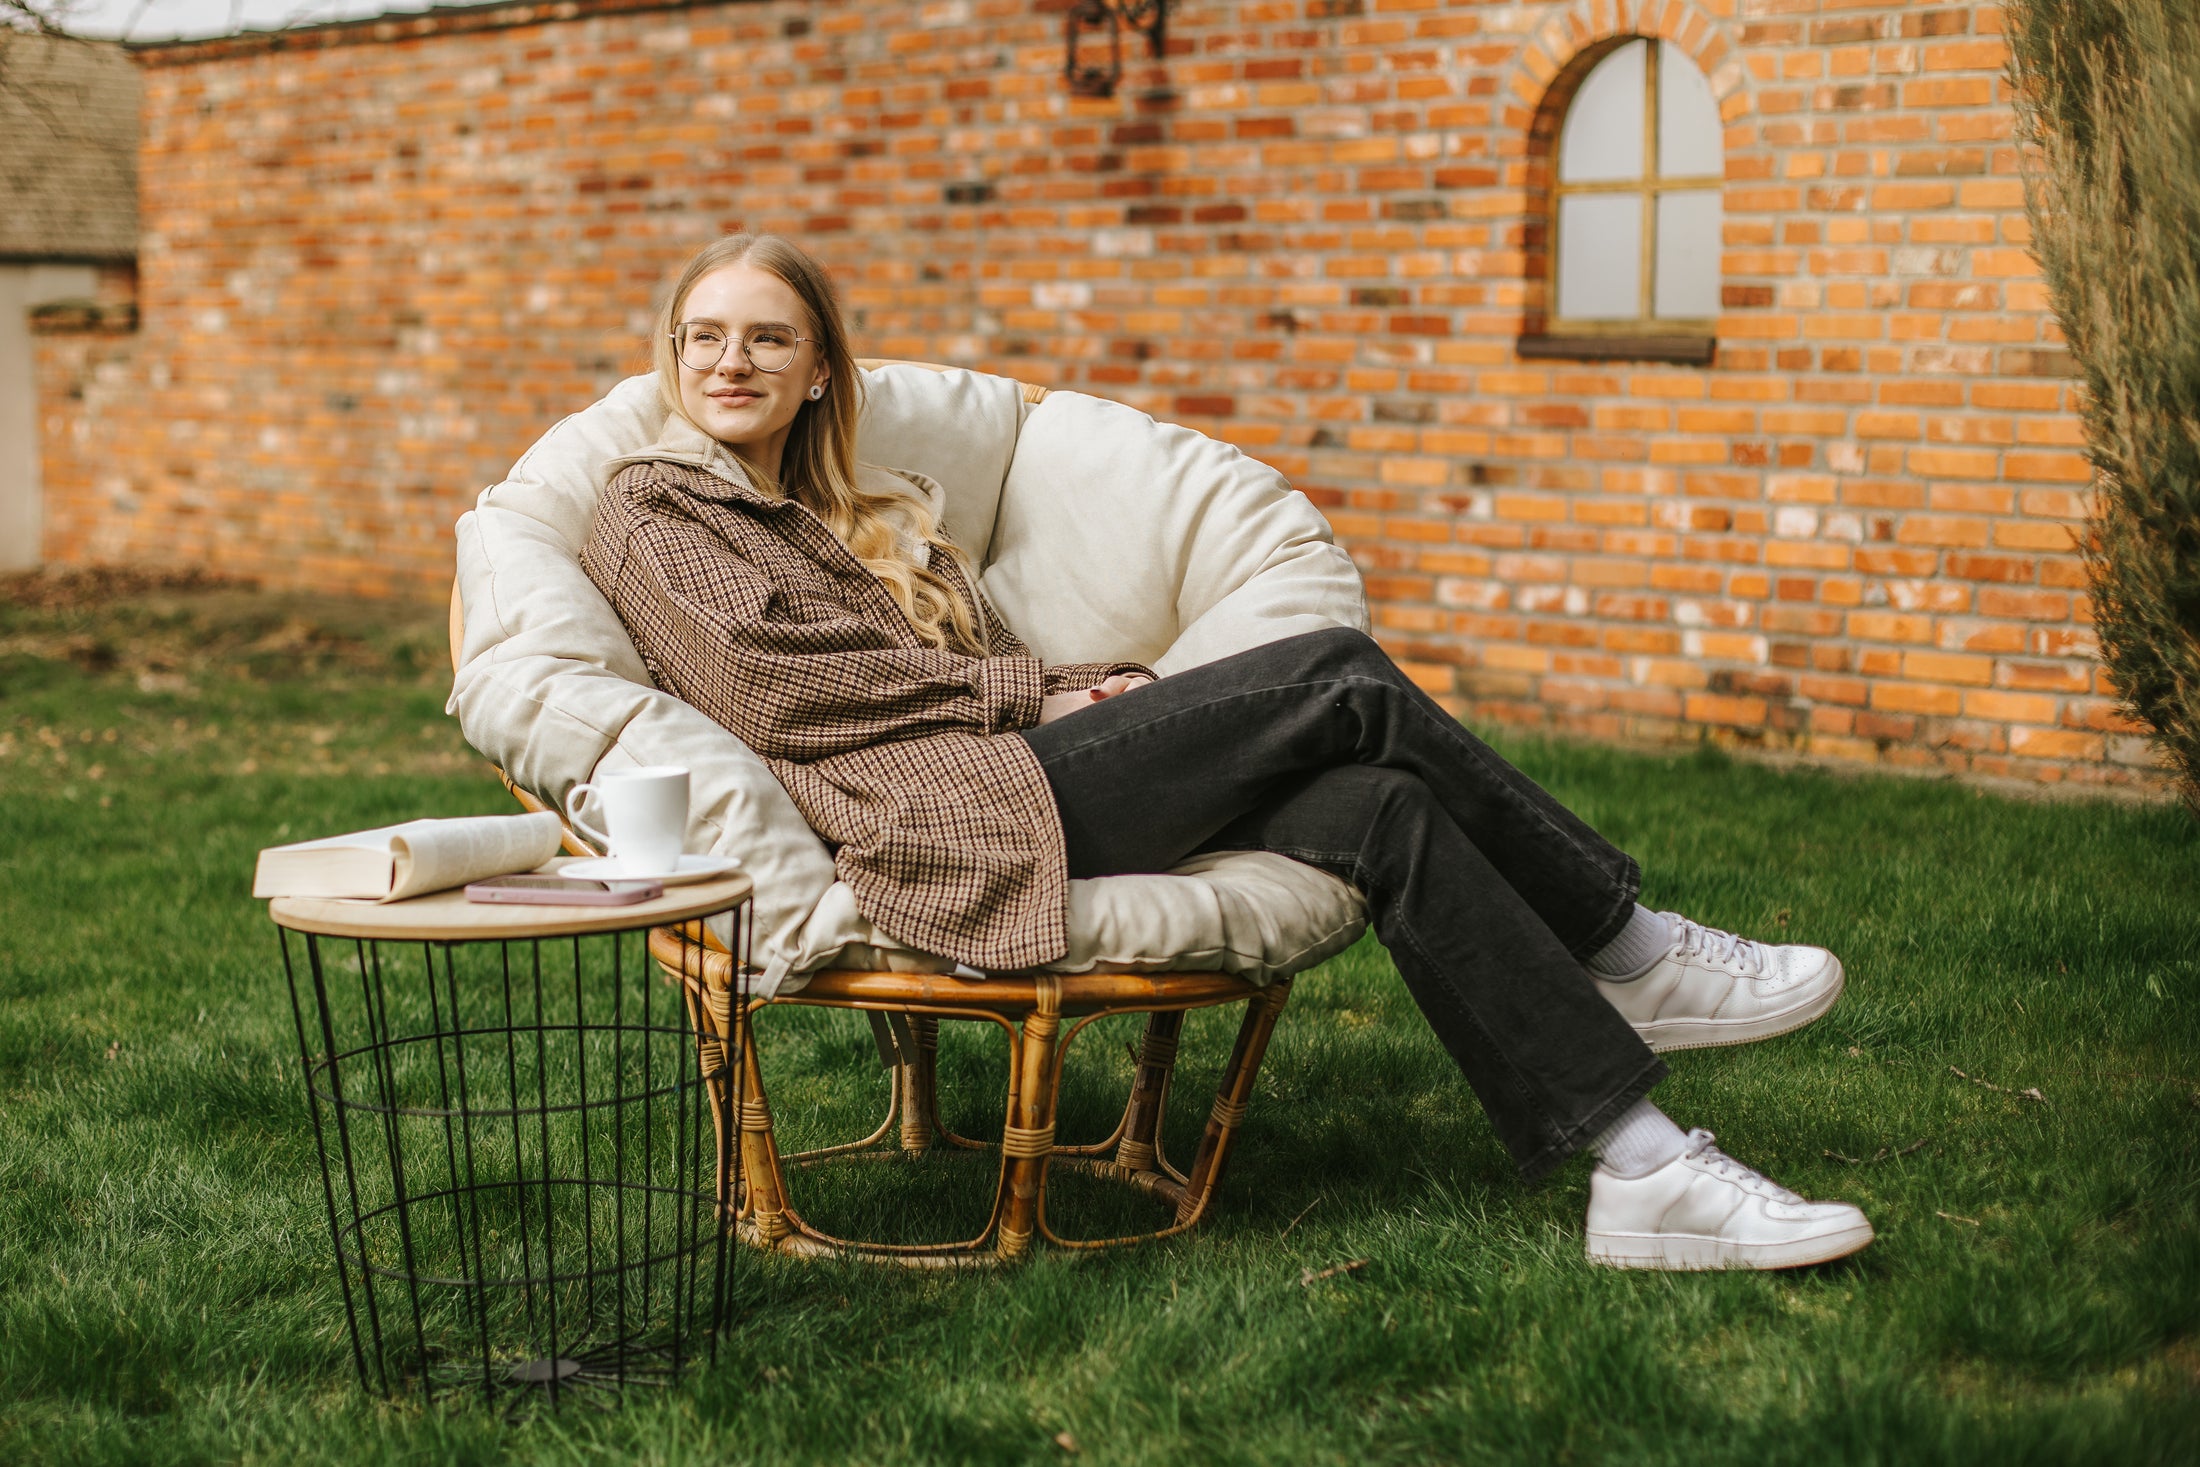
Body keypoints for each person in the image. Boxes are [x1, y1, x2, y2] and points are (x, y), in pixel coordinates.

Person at [579, 233, 1874, 1272]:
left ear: (817, 370)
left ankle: (1643, 1167)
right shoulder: (656, 506)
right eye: (705, 337)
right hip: (947, 815)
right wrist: (1049, 693)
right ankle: (1623, 944)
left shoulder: (852, 516)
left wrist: (1078, 694)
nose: (729, 359)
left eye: (767, 337)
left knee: (1377, 809)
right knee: (1343, 679)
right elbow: (779, 692)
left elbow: (957, 661)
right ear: (672, 361)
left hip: (1015, 775)